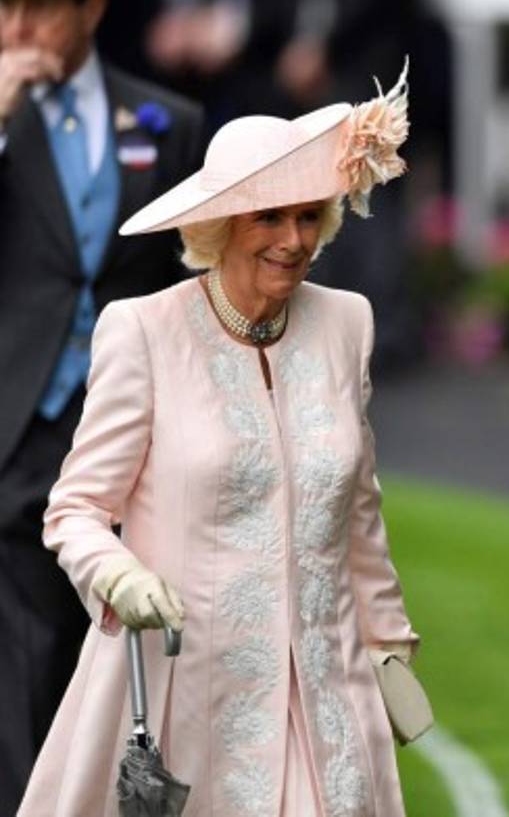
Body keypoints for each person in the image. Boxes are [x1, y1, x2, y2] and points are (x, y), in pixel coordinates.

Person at [18, 61, 425, 816]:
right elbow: (72, 510)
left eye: (308, 216)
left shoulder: (347, 324)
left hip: (325, 696)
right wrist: (118, 576)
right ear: (218, 227)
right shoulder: (143, 332)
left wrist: (390, 639)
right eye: (268, 218)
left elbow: (357, 508)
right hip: (187, 687)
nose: (293, 239)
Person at [0, 0, 203, 811]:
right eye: (0, 8)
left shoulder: (167, 122)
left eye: (36, 6)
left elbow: (191, 281)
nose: (14, 29)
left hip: (136, 438)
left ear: (91, 5)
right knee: (24, 664)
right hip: (18, 431)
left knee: (135, 663)